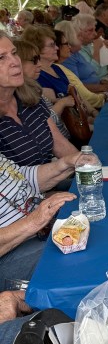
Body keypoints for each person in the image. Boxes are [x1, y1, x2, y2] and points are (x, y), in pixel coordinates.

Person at [0, 33, 78, 167]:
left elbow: (59, 143)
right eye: (1, 57)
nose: (15, 62)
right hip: (34, 180)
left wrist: (88, 166)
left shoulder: (30, 96)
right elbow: (13, 178)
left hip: (55, 176)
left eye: (14, 53)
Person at [0, 152, 78, 281]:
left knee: (91, 207)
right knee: (79, 253)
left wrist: (64, 164)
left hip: (40, 225)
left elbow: (19, 178)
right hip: (11, 252)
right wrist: (33, 222)